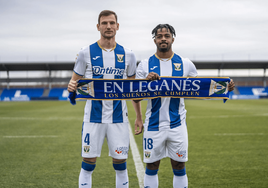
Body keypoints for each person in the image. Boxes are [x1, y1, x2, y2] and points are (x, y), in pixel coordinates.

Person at [134, 24, 235, 188]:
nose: (163, 39)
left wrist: (223, 87)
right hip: (153, 125)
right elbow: (135, 96)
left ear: (173, 38)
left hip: (177, 124)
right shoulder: (144, 65)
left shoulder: (186, 64)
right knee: (152, 166)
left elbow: (200, 89)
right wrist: (145, 84)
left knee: (179, 166)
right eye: (159, 36)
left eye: (167, 35)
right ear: (154, 40)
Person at [67, 10, 143, 188]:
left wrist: (138, 117)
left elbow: (132, 90)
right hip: (93, 117)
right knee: (88, 162)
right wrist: (71, 86)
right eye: (104, 23)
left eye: (111, 23)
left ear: (117, 26)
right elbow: (74, 82)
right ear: (98, 26)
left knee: (120, 163)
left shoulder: (128, 54)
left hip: (119, 117)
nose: (108, 26)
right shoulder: (85, 53)